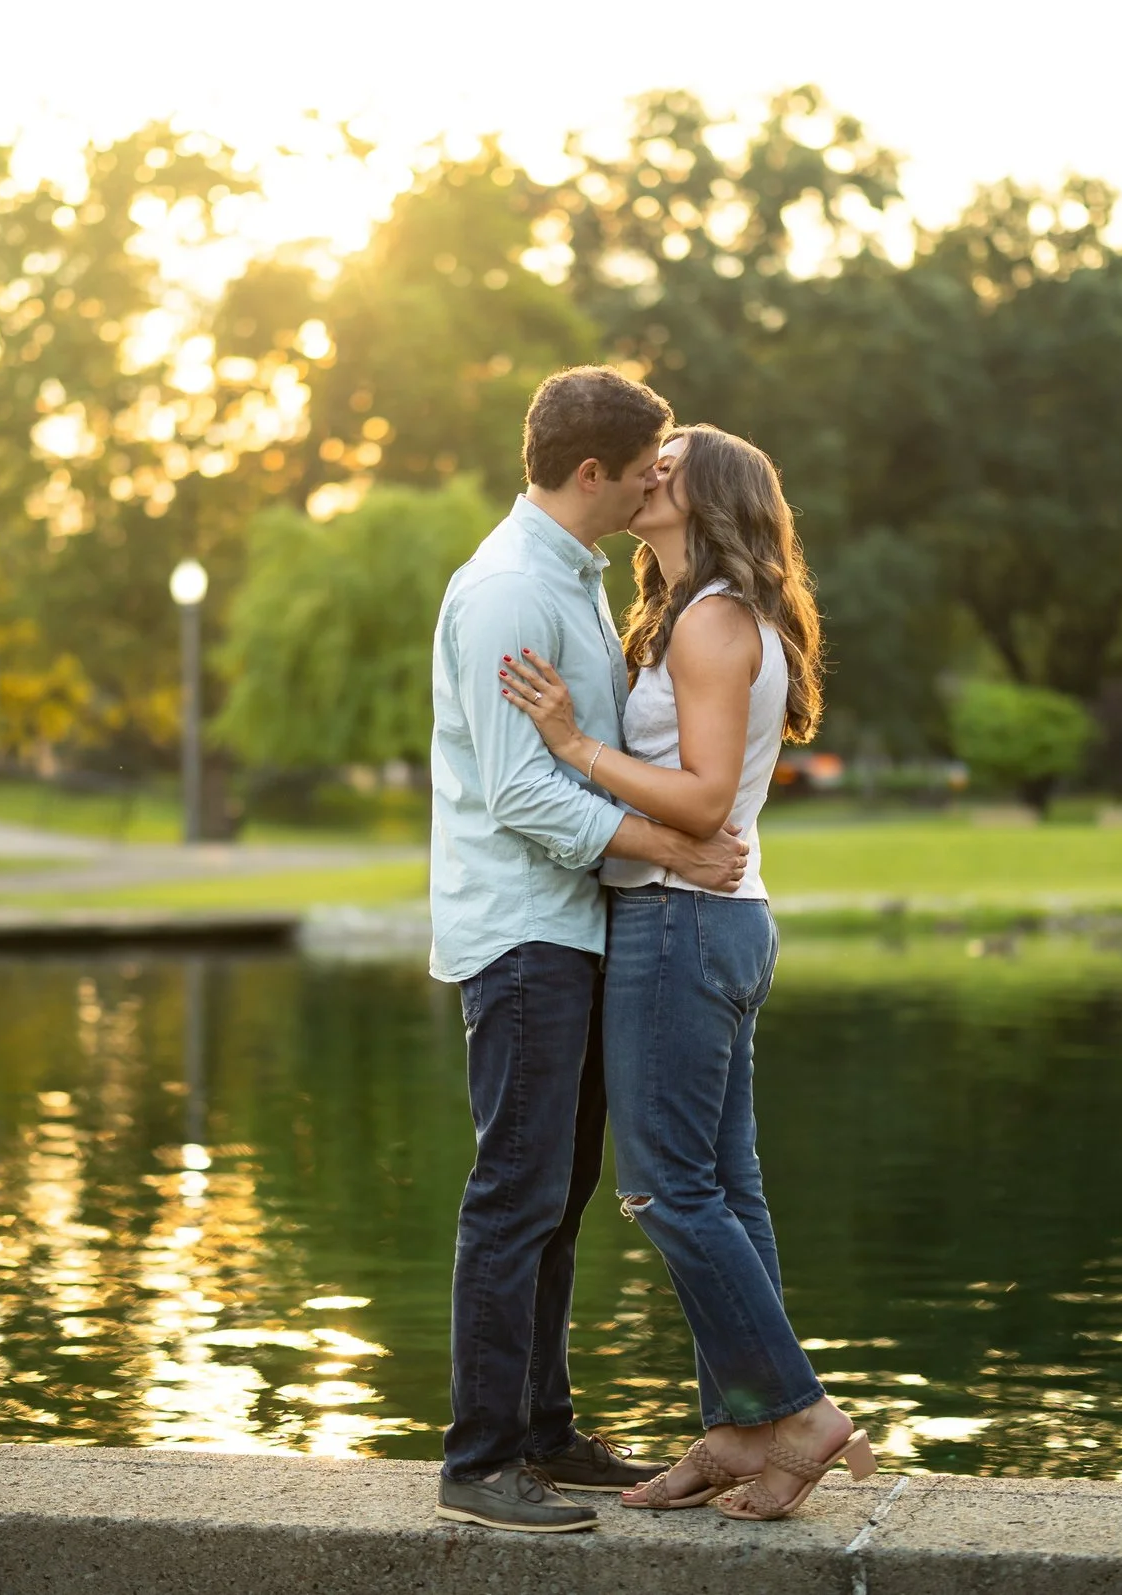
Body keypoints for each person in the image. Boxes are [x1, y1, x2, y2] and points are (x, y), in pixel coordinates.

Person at [497, 424, 876, 1522]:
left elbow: (706, 798)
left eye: (668, 467)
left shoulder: (712, 620)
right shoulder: (685, 613)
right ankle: (746, 1431)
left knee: (665, 1184)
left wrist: (572, 744)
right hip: (707, 921)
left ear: (710, 500)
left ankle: (794, 1409)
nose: (644, 473)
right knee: (723, 1185)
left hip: (681, 923)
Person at [428, 368, 753, 1534]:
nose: (653, 484)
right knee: (515, 1192)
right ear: (588, 475)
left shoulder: (573, 578)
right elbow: (520, 791)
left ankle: (545, 1427)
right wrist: (666, 838)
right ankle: (479, 1459)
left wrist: (656, 840)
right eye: (644, 468)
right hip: (522, 929)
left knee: (556, 1197)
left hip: (573, 927)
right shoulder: (512, 589)